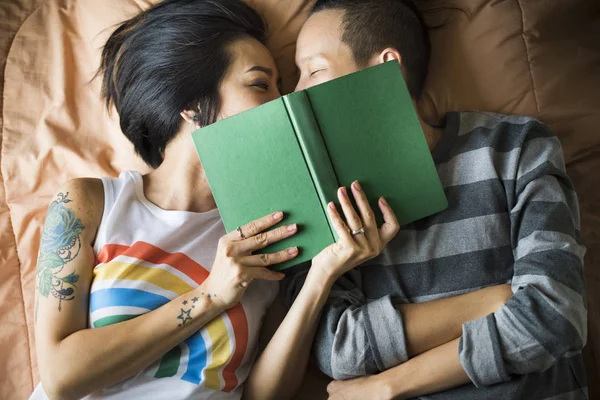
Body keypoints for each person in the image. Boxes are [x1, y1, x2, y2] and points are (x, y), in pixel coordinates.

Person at [30, 1, 403, 399]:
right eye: (261, 84)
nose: (282, 103)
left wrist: (322, 275)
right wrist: (212, 294)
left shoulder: (275, 225)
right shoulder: (89, 203)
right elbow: (60, 375)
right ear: (191, 104)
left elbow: (264, 394)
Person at [284, 0, 588, 398]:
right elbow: (339, 349)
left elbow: (555, 315)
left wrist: (388, 385)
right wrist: (496, 299)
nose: (295, 93)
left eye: (313, 70)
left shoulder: (515, 147)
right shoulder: (329, 199)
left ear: (385, 67)